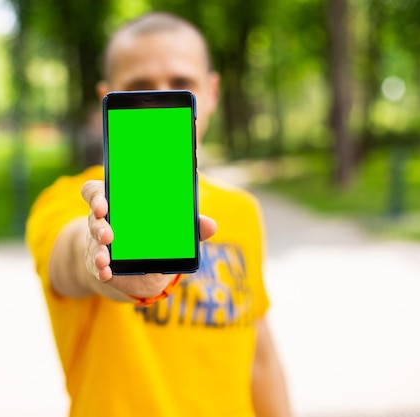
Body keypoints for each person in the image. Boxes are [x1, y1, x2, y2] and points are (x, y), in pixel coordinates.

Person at [26, 12, 292, 417]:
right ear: (107, 98)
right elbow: (69, 260)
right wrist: (99, 253)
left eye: (181, 84)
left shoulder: (242, 211)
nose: (161, 100)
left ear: (212, 91)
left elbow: (259, 355)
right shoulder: (69, 201)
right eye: (139, 88)